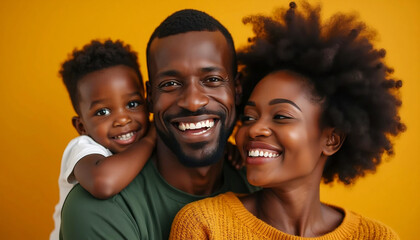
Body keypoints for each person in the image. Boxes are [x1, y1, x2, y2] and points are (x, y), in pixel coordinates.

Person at [169, 2, 405, 239]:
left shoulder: (375, 236)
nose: (254, 129)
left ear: (331, 140)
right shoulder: (204, 225)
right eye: (248, 117)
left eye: (281, 116)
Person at [59, 9, 258, 240]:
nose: (193, 102)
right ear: (150, 98)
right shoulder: (99, 209)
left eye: (212, 80)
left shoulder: (262, 183)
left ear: (237, 90)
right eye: (171, 83)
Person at [50, 39, 156, 240]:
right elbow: (103, 183)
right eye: (103, 111)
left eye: (133, 104)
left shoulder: (147, 136)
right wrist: (150, 140)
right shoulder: (82, 148)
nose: (123, 119)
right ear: (81, 126)